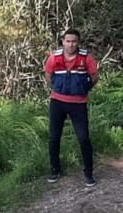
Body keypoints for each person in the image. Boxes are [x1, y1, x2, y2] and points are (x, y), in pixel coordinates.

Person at [45, 28, 99, 187]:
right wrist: (57, 88)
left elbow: (95, 76)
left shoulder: (86, 58)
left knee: (83, 138)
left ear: (78, 42)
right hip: (58, 102)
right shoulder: (54, 57)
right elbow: (48, 76)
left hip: (78, 103)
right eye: (68, 41)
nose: (71, 44)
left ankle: (88, 173)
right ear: (63, 41)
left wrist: (84, 88)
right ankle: (55, 170)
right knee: (54, 138)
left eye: (74, 41)